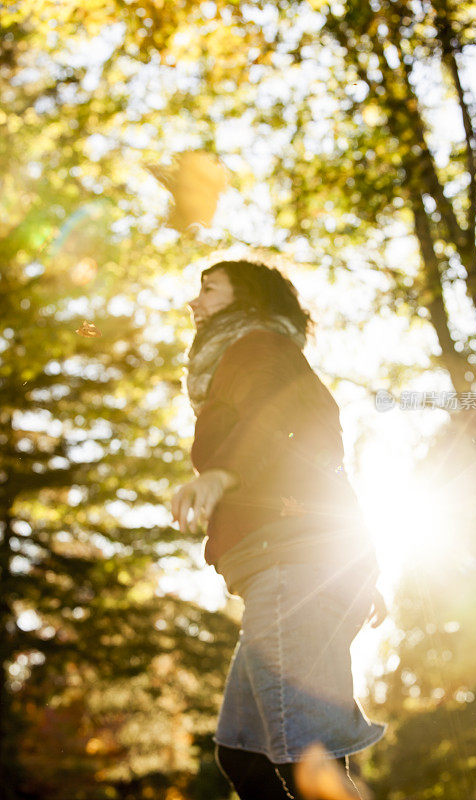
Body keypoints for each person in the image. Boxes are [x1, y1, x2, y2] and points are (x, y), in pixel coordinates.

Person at [171, 259, 387, 800]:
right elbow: (322, 462)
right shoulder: (260, 353)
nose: (193, 303)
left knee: (304, 757)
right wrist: (356, 567)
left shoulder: (255, 347)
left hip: (290, 566)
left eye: (209, 290)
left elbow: (284, 419)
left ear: (248, 300)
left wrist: (227, 470)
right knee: (243, 754)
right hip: (301, 567)